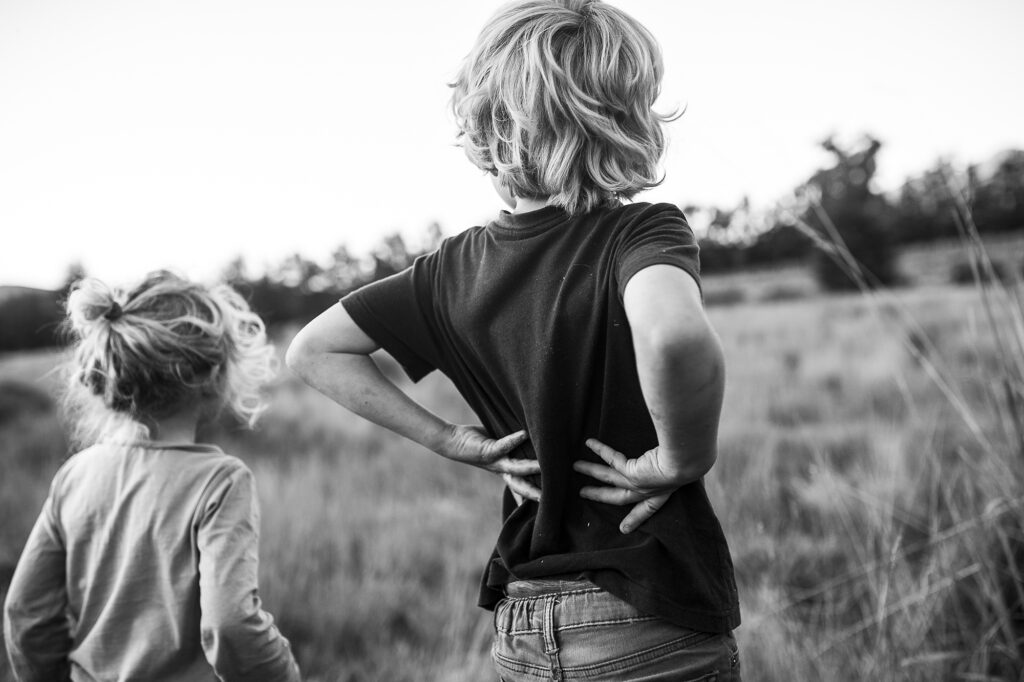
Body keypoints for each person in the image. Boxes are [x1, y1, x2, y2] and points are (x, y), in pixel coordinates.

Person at [286, 0, 741, 679]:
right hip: (649, 612)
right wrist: (682, 457)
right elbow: (674, 335)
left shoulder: (448, 270)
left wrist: (450, 440)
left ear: (484, 122)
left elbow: (312, 352)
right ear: (626, 118)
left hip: (521, 621)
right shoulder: (640, 234)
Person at [3, 271, 301, 682]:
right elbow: (230, 624)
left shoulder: (75, 474)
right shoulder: (220, 481)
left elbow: (26, 614)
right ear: (211, 375)